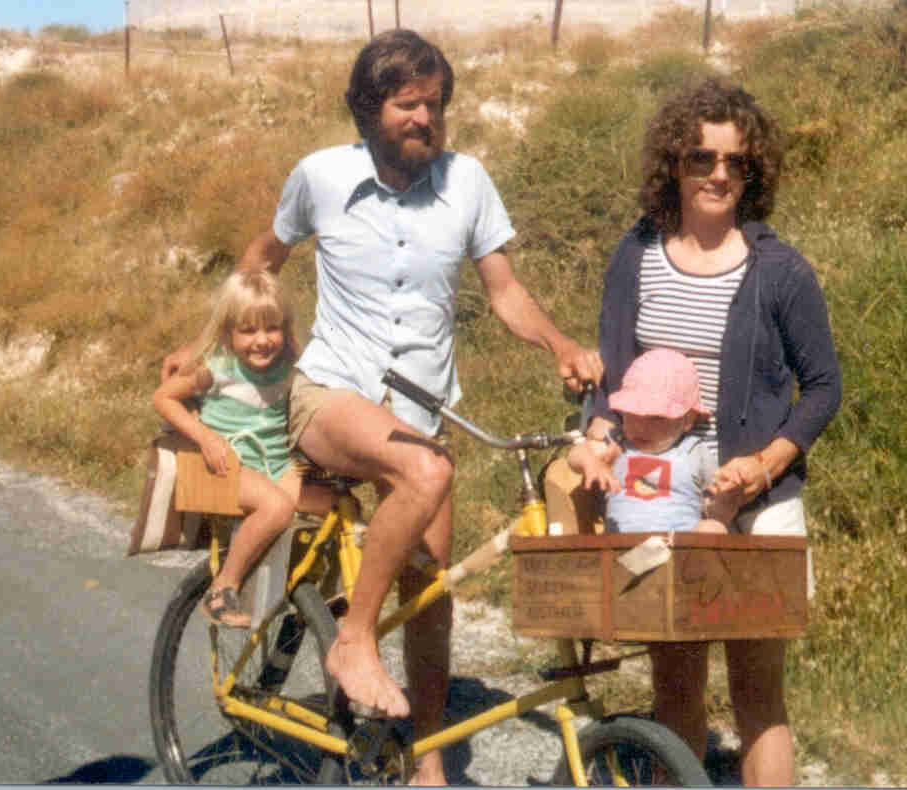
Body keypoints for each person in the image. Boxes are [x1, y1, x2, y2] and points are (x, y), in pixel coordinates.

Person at [162, 29, 602, 786]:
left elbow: (503, 289)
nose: (423, 119)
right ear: (368, 111)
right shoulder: (320, 178)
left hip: (423, 412)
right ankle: (352, 640)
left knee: (432, 599)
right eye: (406, 104)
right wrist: (209, 344)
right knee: (424, 473)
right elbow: (263, 257)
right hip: (331, 394)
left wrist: (557, 344)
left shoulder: (467, 182)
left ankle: (424, 761)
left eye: (433, 105)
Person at [589, 76, 842, 786]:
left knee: (757, 696)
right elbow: (611, 379)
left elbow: (823, 389)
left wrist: (763, 465)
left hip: (759, 506)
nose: (718, 174)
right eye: (701, 158)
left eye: (736, 161)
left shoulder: (780, 272)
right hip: (660, 506)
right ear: (674, 163)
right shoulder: (636, 254)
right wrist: (595, 442)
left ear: (752, 171)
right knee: (674, 690)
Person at [153, 270, 303, 628]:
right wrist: (205, 437)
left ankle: (308, 597)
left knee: (327, 502)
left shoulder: (289, 365)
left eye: (272, 329)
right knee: (277, 507)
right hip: (228, 465)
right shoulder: (219, 367)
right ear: (228, 332)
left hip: (277, 463)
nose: (262, 341)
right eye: (248, 331)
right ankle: (223, 587)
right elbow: (164, 398)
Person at [567, 348, 732, 534]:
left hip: (682, 547)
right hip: (621, 545)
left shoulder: (694, 451)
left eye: (655, 418)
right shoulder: (618, 442)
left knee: (713, 529)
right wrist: (591, 462)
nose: (640, 426)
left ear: (687, 419)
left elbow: (716, 494)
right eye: (632, 414)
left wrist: (723, 498)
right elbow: (575, 455)